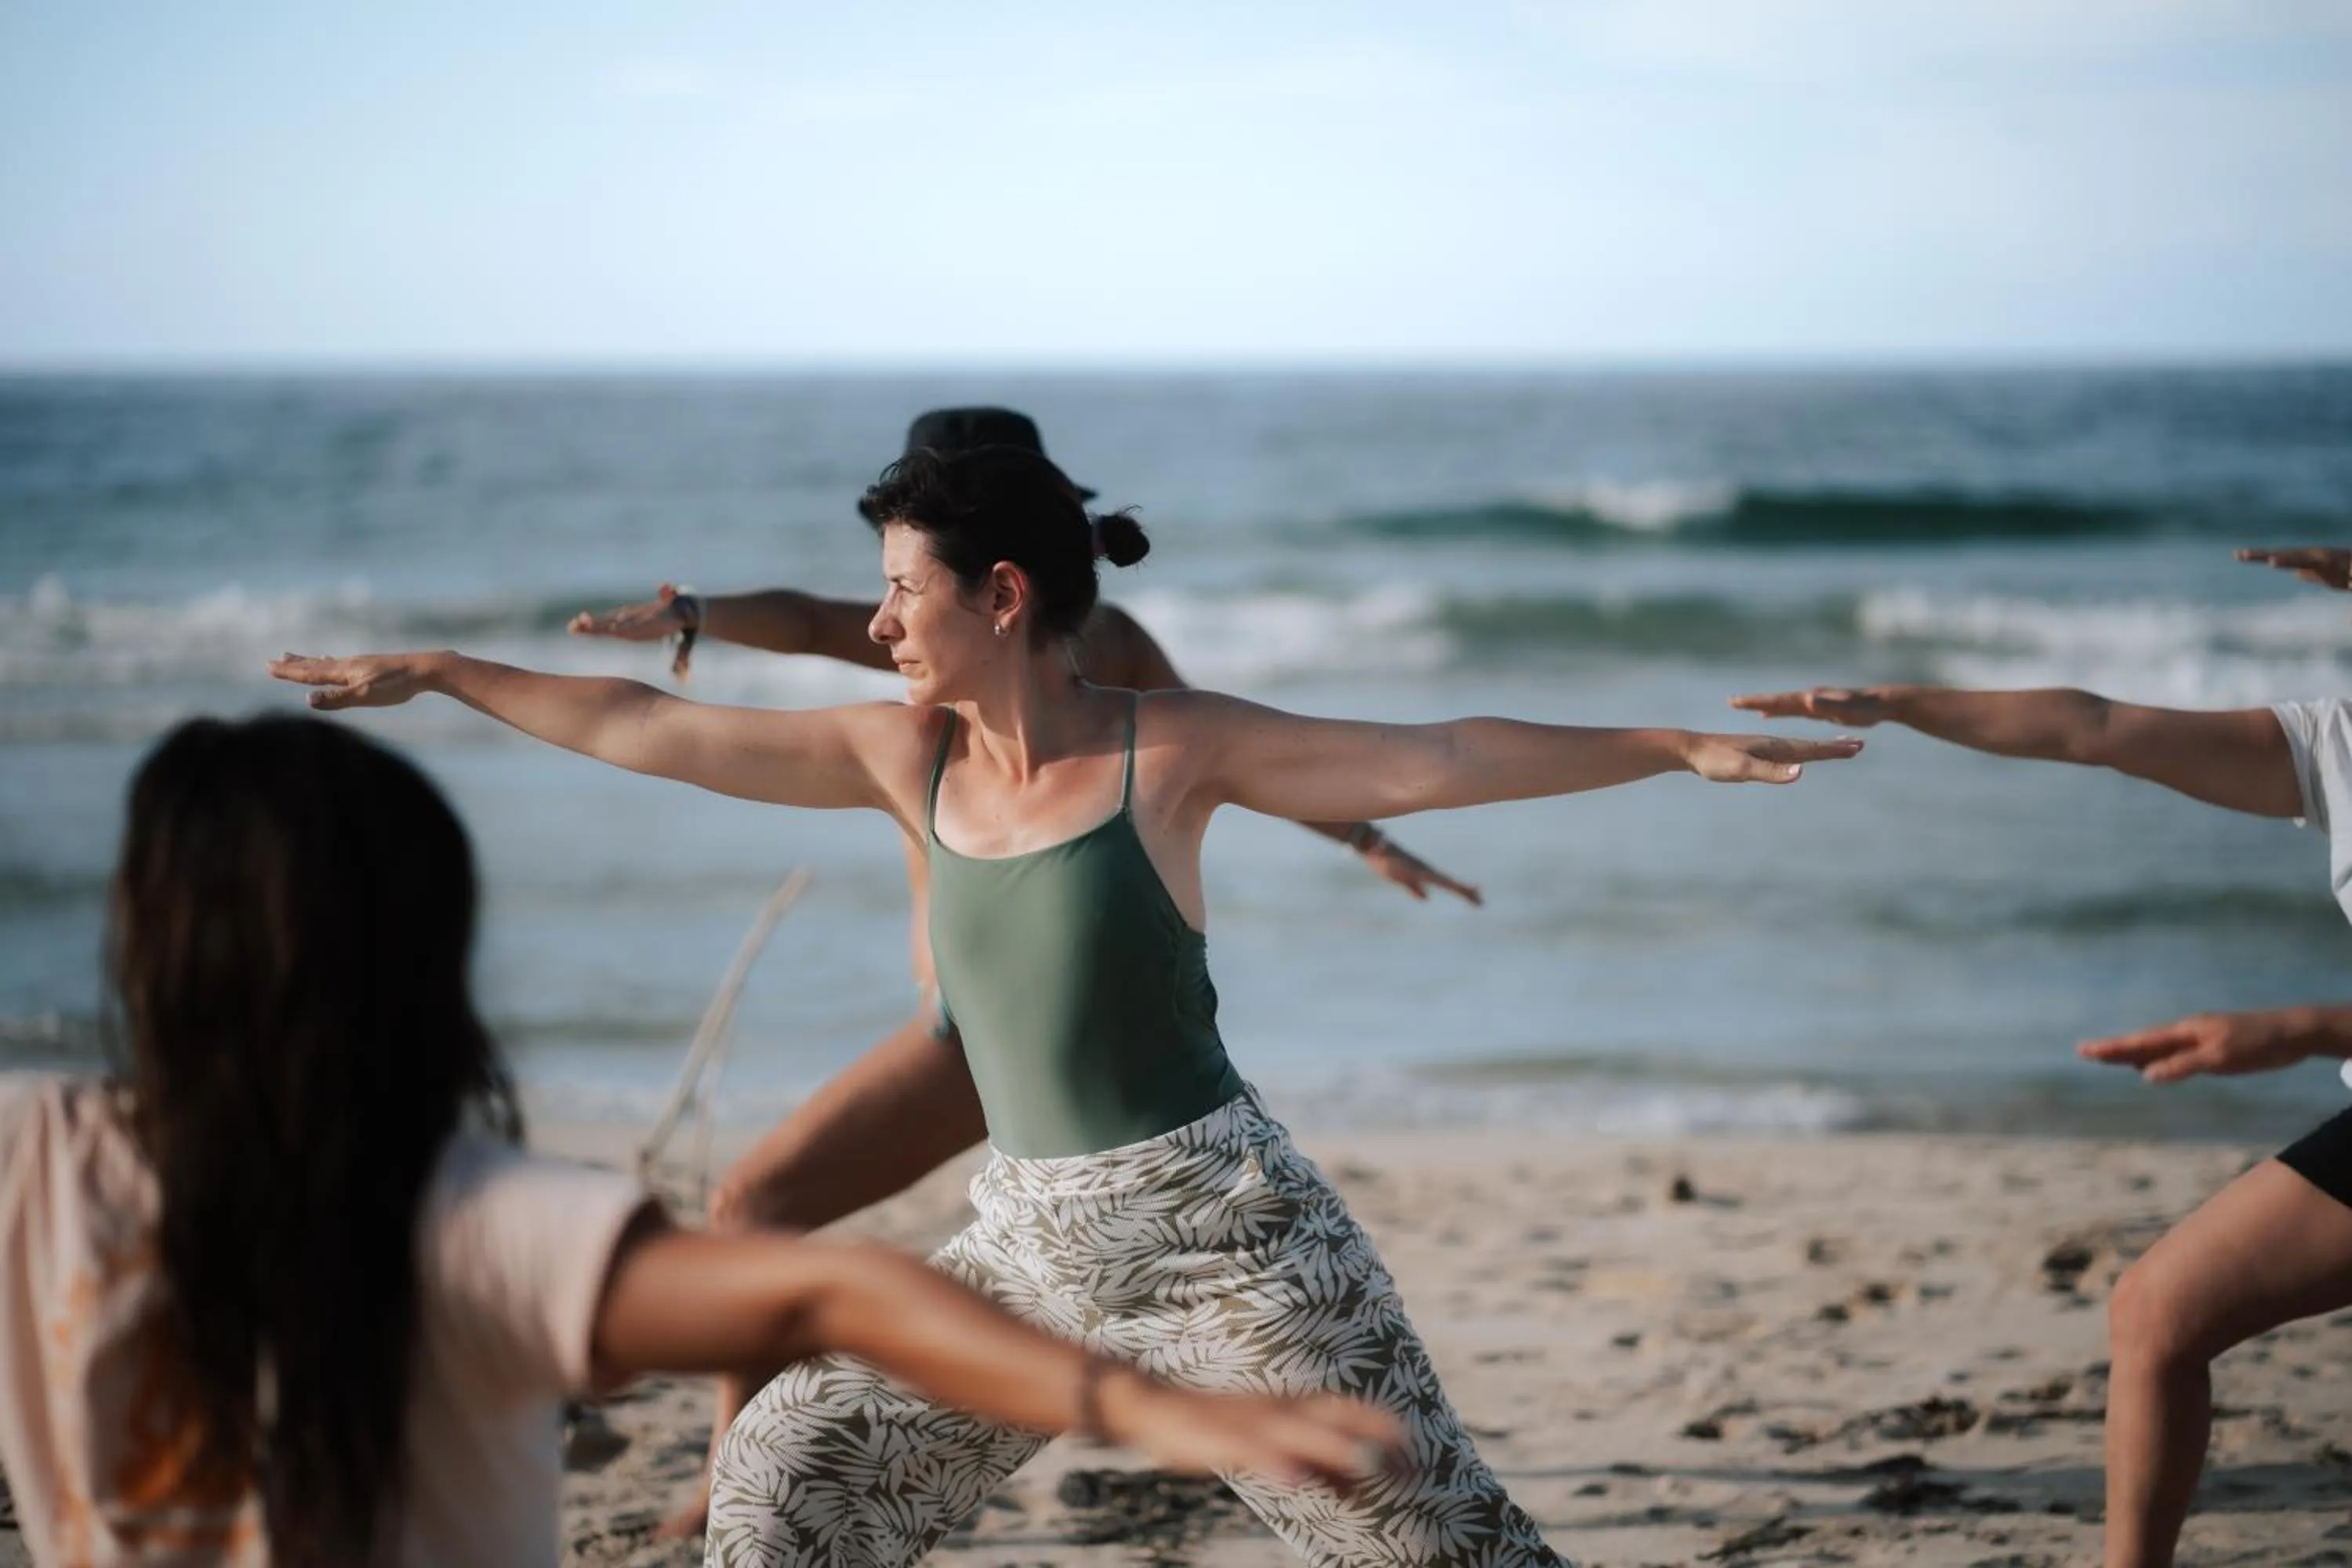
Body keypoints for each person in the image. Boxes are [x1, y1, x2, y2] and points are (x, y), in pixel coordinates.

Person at [273, 444, 1860, 1567]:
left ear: (1003, 594)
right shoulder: (903, 753)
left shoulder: (1170, 748)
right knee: (790, 1465)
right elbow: (646, 727)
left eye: (902, 592)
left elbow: (1433, 755)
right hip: (1022, 1244)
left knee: (1442, 1552)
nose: (877, 623)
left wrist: (1670, 746)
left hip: (1230, 1242)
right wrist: (451, 670)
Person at [0, 714, 1403, 1568]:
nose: (883, 616)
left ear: (145, 951)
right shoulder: (473, 1221)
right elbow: (824, 1293)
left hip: (1180, 1190)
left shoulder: (36, 1157)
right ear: (427, 960)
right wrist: (1147, 1409)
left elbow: (820, 1292)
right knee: (787, 1455)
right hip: (1073, 1212)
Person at [568, 406, 1485, 1536]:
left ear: (1009, 561)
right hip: (957, 1022)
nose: (884, 612)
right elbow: (804, 620)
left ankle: (744, 1465)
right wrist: (699, 613)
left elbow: (1249, 754)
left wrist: (1366, 833)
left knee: (756, 1202)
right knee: (767, 1210)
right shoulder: (930, 647)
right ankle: (752, 1461)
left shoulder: (1092, 651)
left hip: (999, 1042)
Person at [1733, 624, 2352, 1568]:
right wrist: (1902, 702)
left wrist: (2309, 1027)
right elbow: (2091, 726)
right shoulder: (2336, 743)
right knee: (2158, 1310)